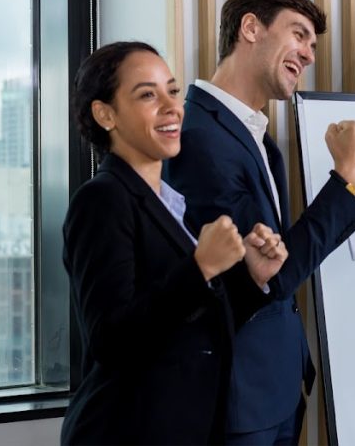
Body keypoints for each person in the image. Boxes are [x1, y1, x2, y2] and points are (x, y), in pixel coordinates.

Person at [165, 0, 355, 445]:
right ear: (250, 28)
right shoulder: (199, 136)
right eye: (299, 34)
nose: (309, 54)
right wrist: (347, 178)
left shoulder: (257, 138)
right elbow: (265, 277)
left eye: (313, 44)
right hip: (238, 399)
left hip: (273, 391)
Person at [62, 41, 289, 445]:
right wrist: (200, 267)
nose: (172, 106)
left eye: (172, 89)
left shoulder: (169, 203)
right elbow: (111, 340)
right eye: (148, 94)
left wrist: (251, 280)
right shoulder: (102, 200)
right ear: (105, 114)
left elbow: (194, 327)